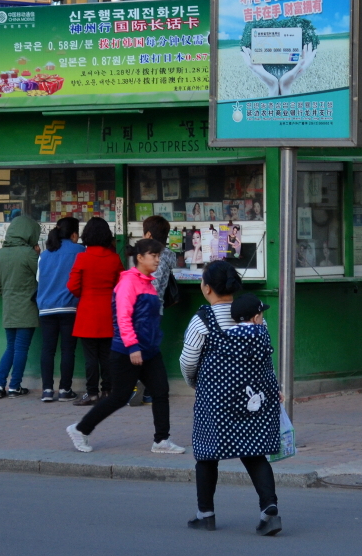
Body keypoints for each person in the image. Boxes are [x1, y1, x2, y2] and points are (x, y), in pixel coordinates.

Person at [180, 262, 282, 536]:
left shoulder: (202, 320)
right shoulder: (255, 317)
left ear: (207, 287)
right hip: (253, 397)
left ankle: (206, 514)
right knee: (254, 452)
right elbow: (265, 359)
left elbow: (189, 361)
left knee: (206, 453)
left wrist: (196, 383)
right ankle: (269, 510)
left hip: (215, 399)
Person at [66, 238, 185, 455]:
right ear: (140, 258)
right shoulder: (128, 282)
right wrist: (132, 347)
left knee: (160, 392)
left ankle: (161, 440)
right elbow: (123, 317)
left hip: (149, 350)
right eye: (153, 255)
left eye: (158, 255)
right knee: (119, 397)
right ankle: (80, 429)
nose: (157, 260)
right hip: (128, 351)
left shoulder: (147, 282)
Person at [125, 215, 179, 408]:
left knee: (140, 351)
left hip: (143, 309)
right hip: (157, 309)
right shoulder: (167, 255)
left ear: (148, 234)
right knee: (149, 350)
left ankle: (141, 388)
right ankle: (147, 390)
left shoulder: (149, 256)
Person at [68, 217, 122, 407]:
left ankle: (92, 393)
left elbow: (72, 286)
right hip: (109, 312)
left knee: (90, 357)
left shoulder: (82, 257)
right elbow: (120, 287)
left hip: (87, 312)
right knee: (107, 356)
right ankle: (108, 390)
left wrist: (86, 294)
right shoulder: (114, 259)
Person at [0, 214, 41, 398]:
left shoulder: (1, 253)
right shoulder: (29, 254)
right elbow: (42, 278)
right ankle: (14, 387)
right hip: (27, 308)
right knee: (21, 348)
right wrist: (38, 255)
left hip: (9, 309)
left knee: (10, 347)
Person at [36, 216, 83, 402]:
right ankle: (65, 390)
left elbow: (39, 280)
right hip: (69, 308)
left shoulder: (45, 255)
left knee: (47, 350)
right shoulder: (80, 251)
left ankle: (47, 390)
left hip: (46, 308)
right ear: (73, 234)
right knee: (67, 350)